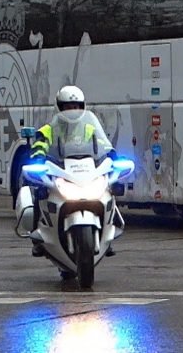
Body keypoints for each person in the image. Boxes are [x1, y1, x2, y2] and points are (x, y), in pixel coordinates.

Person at [27, 85, 117, 257]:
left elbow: (103, 144)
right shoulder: (49, 129)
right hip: (61, 169)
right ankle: (38, 237)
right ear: (60, 108)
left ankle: (108, 235)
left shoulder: (89, 128)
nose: (73, 110)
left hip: (86, 169)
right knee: (39, 192)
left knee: (109, 187)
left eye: (76, 106)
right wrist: (38, 157)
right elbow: (39, 146)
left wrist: (112, 154)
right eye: (68, 107)